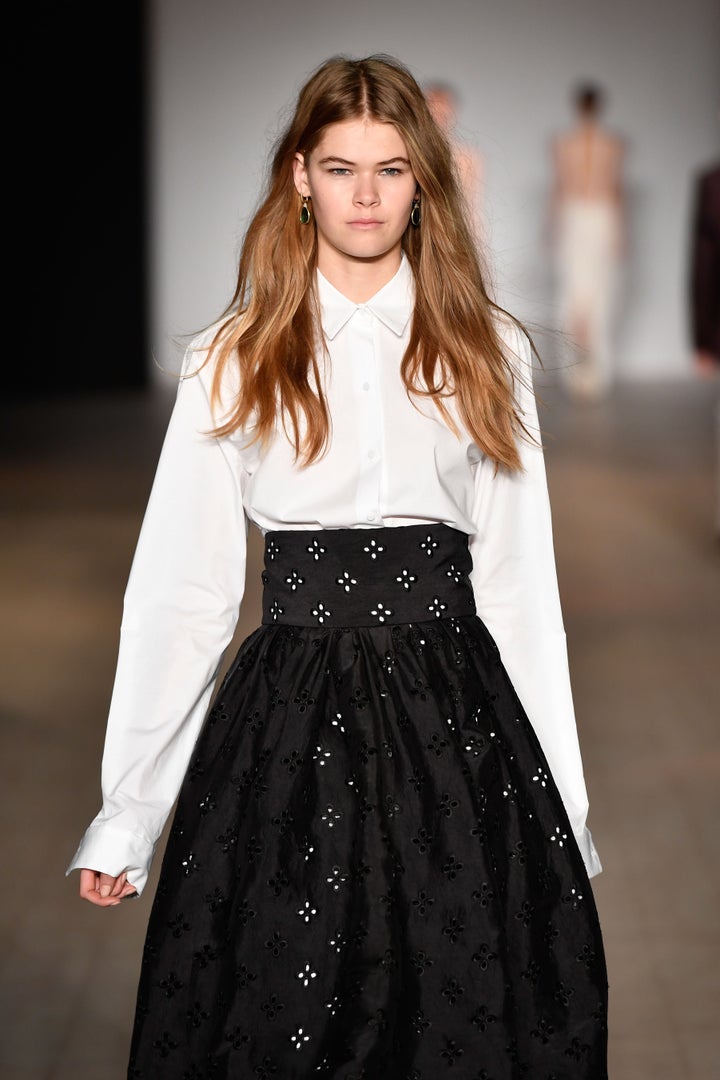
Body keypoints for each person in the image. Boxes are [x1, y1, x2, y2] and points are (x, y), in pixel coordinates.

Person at [67, 54, 608, 1078]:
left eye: (392, 169)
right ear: (300, 180)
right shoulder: (234, 354)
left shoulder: (484, 351)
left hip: (459, 734)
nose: (366, 192)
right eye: (340, 165)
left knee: (451, 1024)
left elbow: (523, 592)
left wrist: (565, 814)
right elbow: (182, 590)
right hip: (285, 732)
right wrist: (129, 810)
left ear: (423, 186)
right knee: (280, 1022)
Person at [548, 82, 627, 401]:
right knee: (587, 292)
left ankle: (583, 372)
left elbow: (559, 188)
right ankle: (588, 372)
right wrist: (621, 231)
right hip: (594, 215)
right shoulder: (611, 144)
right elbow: (615, 189)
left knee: (583, 292)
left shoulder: (566, 144)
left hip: (581, 216)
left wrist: (552, 227)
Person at [424, 81, 484, 241]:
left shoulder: (467, 158)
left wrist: (475, 243)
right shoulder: (409, 152)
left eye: (443, 105)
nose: (437, 111)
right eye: (432, 105)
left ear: (452, 110)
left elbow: (472, 207)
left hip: (452, 234)